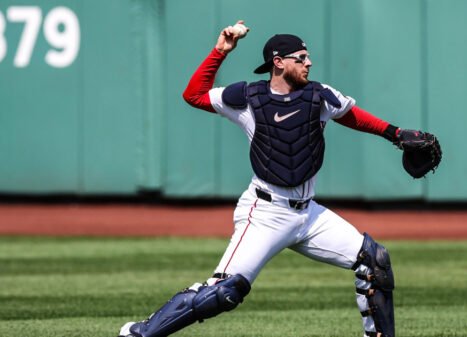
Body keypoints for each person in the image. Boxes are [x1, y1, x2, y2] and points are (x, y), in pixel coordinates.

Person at [118, 20, 436, 337]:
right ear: (279, 63)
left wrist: (395, 135)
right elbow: (194, 95)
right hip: (265, 213)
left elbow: (351, 115)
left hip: (309, 215)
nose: (309, 62)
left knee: (374, 262)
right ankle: (140, 333)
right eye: (301, 58)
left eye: (308, 57)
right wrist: (220, 51)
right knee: (224, 291)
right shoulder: (247, 98)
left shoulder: (319, 95)